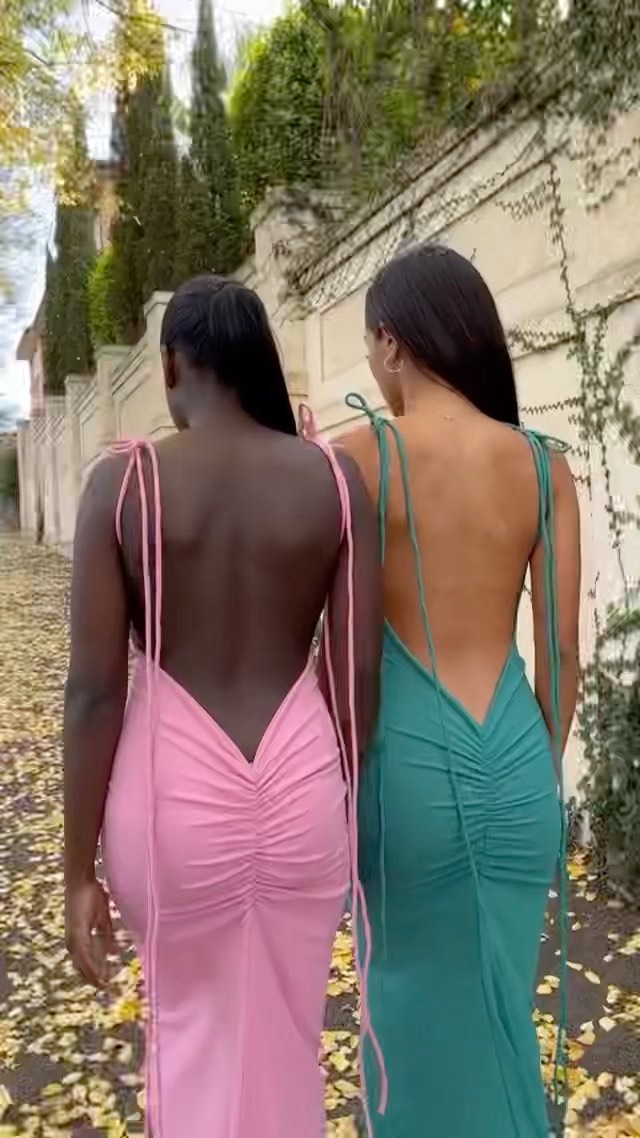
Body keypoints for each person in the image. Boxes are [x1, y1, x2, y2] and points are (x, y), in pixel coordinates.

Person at [63, 275, 383, 1138]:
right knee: (286, 1038)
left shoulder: (123, 485)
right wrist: (339, 796)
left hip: (171, 806)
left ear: (172, 366)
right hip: (302, 788)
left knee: (190, 1032)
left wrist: (77, 869)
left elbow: (94, 691)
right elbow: (356, 668)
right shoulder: (334, 480)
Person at [338, 244, 581, 1138]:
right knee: (502, 1014)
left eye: (370, 347)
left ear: (393, 342)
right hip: (518, 765)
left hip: (405, 770)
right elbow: (561, 653)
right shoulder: (544, 466)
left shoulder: (356, 458)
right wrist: (534, 771)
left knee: (408, 1028)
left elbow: (336, 646)